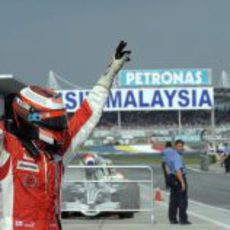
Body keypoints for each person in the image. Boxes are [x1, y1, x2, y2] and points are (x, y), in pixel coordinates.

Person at [0, 41, 131, 230]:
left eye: (60, 121)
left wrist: (109, 75)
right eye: (54, 122)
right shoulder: (8, 147)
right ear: (29, 117)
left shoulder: (58, 152)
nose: (60, 128)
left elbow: (86, 115)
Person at [164, 139, 191, 225]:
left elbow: (166, 165)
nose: (180, 148)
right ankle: (183, 219)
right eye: (179, 146)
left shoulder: (171, 155)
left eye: (181, 146)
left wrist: (169, 176)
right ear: (175, 147)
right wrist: (182, 182)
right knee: (182, 200)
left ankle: (172, 219)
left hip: (172, 177)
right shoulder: (177, 156)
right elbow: (178, 170)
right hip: (179, 178)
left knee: (173, 200)